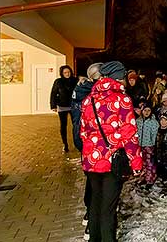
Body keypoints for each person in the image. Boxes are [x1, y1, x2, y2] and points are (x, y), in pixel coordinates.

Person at [80, 61, 142, 241]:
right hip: (112, 161)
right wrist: (136, 163)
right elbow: (129, 134)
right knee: (108, 208)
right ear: (119, 78)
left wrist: (93, 150)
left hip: (91, 160)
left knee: (95, 203)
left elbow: (83, 132)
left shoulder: (88, 100)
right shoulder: (122, 100)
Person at [70, 62, 102, 240]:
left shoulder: (79, 92)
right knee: (97, 186)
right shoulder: (92, 94)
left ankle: (89, 215)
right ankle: (92, 223)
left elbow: (76, 123)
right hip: (95, 146)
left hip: (86, 146)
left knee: (92, 182)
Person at [50, 64, 78, 152]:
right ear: (62, 73)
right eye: (65, 72)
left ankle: (77, 143)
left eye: (69, 72)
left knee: (76, 125)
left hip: (74, 106)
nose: (67, 74)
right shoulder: (58, 81)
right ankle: (65, 144)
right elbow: (53, 93)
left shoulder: (75, 80)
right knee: (63, 126)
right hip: (62, 106)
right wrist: (53, 105)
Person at [136, 102, 159, 190]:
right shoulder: (138, 121)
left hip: (149, 145)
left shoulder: (154, 122)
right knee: (143, 163)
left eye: (149, 110)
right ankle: (144, 177)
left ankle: (150, 179)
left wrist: (152, 144)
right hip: (140, 145)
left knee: (150, 163)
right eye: (145, 110)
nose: (146, 112)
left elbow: (155, 134)